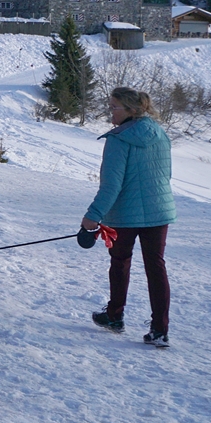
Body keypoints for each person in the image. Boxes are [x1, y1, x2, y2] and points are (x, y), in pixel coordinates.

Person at [82, 87, 175, 347]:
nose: (110, 111)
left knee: (120, 261)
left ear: (131, 109)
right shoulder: (160, 133)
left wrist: (92, 216)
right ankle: (160, 330)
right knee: (156, 266)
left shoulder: (119, 139)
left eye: (114, 107)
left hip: (125, 213)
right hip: (159, 210)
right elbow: (166, 174)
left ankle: (115, 316)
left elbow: (111, 185)